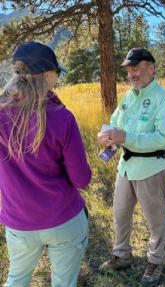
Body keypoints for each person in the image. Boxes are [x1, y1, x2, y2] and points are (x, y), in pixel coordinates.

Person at [0, 41, 91, 287]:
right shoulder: (62, 118)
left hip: (18, 220)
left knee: (16, 279)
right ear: (48, 74)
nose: (57, 79)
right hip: (63, 219)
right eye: (57, 73)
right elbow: (82, 179)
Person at [97, 48, 165, 286]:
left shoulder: (164, 98)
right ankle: (121, 255)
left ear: (151, 68)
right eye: (128, 69)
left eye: (136, 67)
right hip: (126, 166)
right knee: (120, 214)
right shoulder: (129, 96)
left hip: (151, 168)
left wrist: (124, 137)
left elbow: (162, 138)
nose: (131, 73)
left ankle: (156, 259)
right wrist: (108, 134)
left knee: (156, 220)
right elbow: (114, 121)